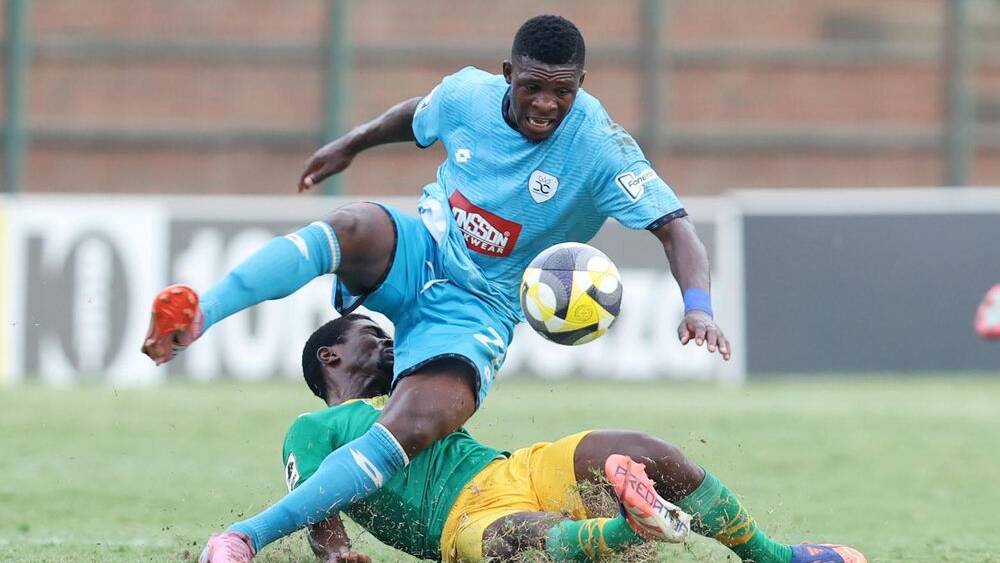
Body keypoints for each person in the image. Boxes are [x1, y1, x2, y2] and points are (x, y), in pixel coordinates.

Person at [144, 14, 732, 558]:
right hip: (421, 248)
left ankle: (242, 538)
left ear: (582, 84)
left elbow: (676, 229)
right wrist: (352, 143)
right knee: (351, 225)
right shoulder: (467, 94)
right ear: (508, 74)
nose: (545, 104)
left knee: (413, 426)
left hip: (478, 309)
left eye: (563, 92)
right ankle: (199, 315)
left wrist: (699, 307)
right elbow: (414, 115)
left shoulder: (600, 148)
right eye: (532, 87)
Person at [199, 314, 864, 563]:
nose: (391, 341)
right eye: (373, 335)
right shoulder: (313, 426)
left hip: (512, 468)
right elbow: (315, 501)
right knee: (525, 538)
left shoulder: (411, 395)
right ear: (332, 357)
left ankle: (772, 557)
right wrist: (337, 554)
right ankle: (633, 526)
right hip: (457, 523)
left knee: (642, 447)